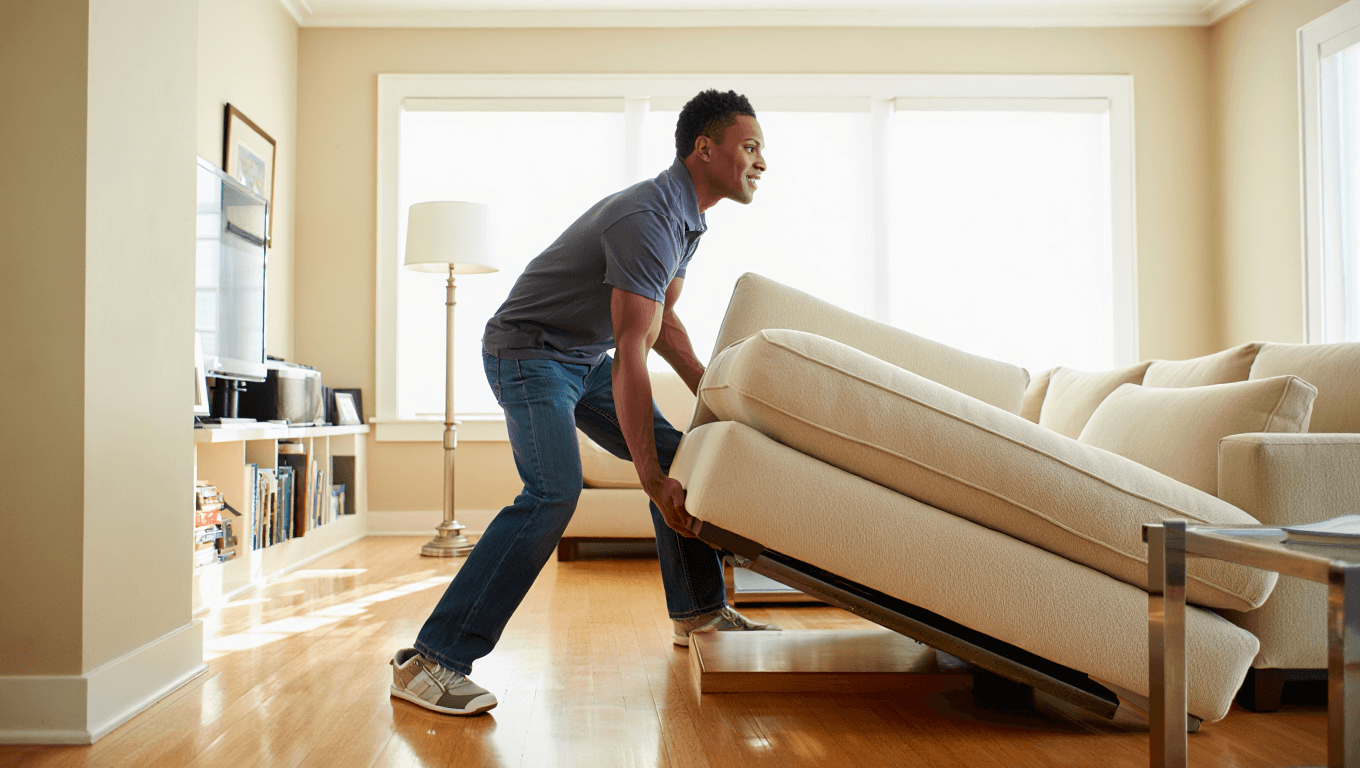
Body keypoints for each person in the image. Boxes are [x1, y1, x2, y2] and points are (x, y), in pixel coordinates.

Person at [389, 90, 778, 717]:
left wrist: (710, 385)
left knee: (683, 458)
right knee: (553, 491)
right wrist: (648, 477)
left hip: (580, 356)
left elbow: (662, 318)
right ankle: (431, 660)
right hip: (527, 352)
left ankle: (700, 613)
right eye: (752, 147)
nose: (763, 162)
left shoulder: (687, 220)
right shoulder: (648, 217)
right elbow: (633, 352)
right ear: (706, 149)